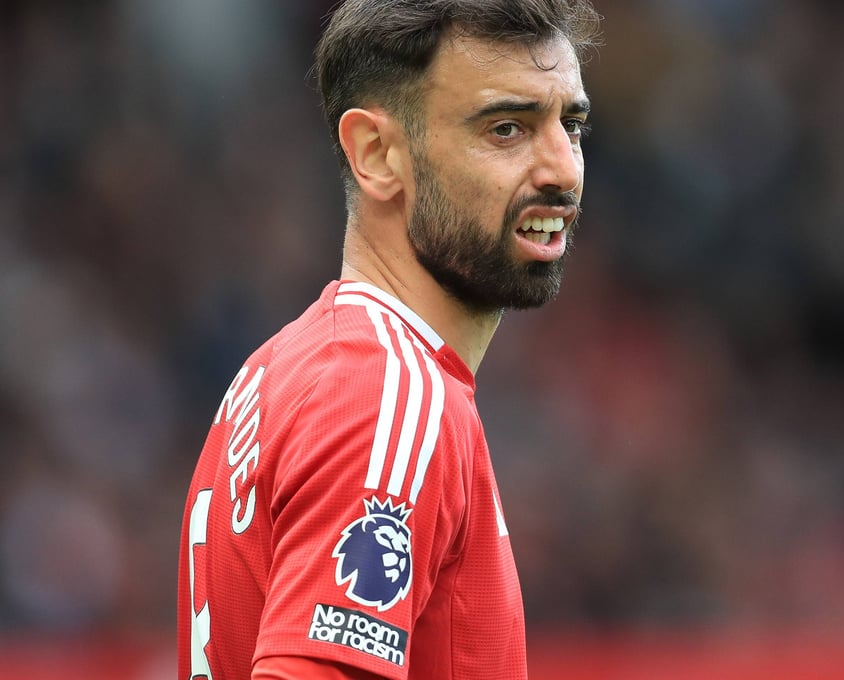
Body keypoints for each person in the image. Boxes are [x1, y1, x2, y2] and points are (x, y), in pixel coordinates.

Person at [177, 0, 601, 678]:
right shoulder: (384, 394)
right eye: (506, 129)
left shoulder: (288, 368)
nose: (563, 170)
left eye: (570, 126)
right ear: (376, 154)